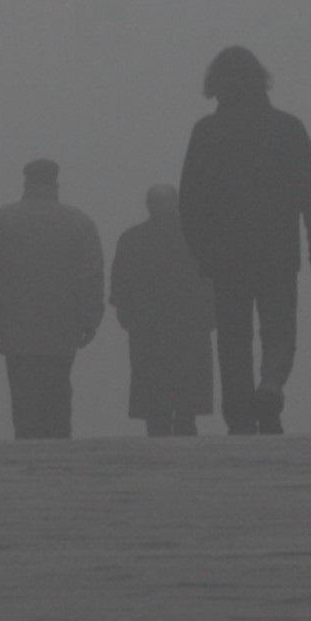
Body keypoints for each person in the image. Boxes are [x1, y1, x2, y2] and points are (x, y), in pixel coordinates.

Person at [180, 44, 311, 436]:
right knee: (279, 329)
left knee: (233, 336)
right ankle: (271, 386)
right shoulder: (287, 127)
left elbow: (190, 199)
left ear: (217, 86)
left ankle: (239, 415)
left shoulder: (207, 132)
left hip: (226, 254)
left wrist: (200, 249)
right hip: (277, 250)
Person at [0, 158, 107, 439]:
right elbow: (92, 275)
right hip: (61, 326)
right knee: (58, 394)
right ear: (55, 184)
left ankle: (27, 450)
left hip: (15, 326)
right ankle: (57, 453)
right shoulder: (79, 223)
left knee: (23, 399)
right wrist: (91, 318)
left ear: (26, 183)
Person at [111, 185, 216, 437]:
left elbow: (119, 288)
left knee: (154, 401)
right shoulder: (198, 236)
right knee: (186, 399)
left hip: (148, 329)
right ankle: (185, 437)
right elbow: (213, 281)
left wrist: (127, 317)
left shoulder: (131, 238)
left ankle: (159, 438)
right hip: (190, 327)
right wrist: (211, 316)